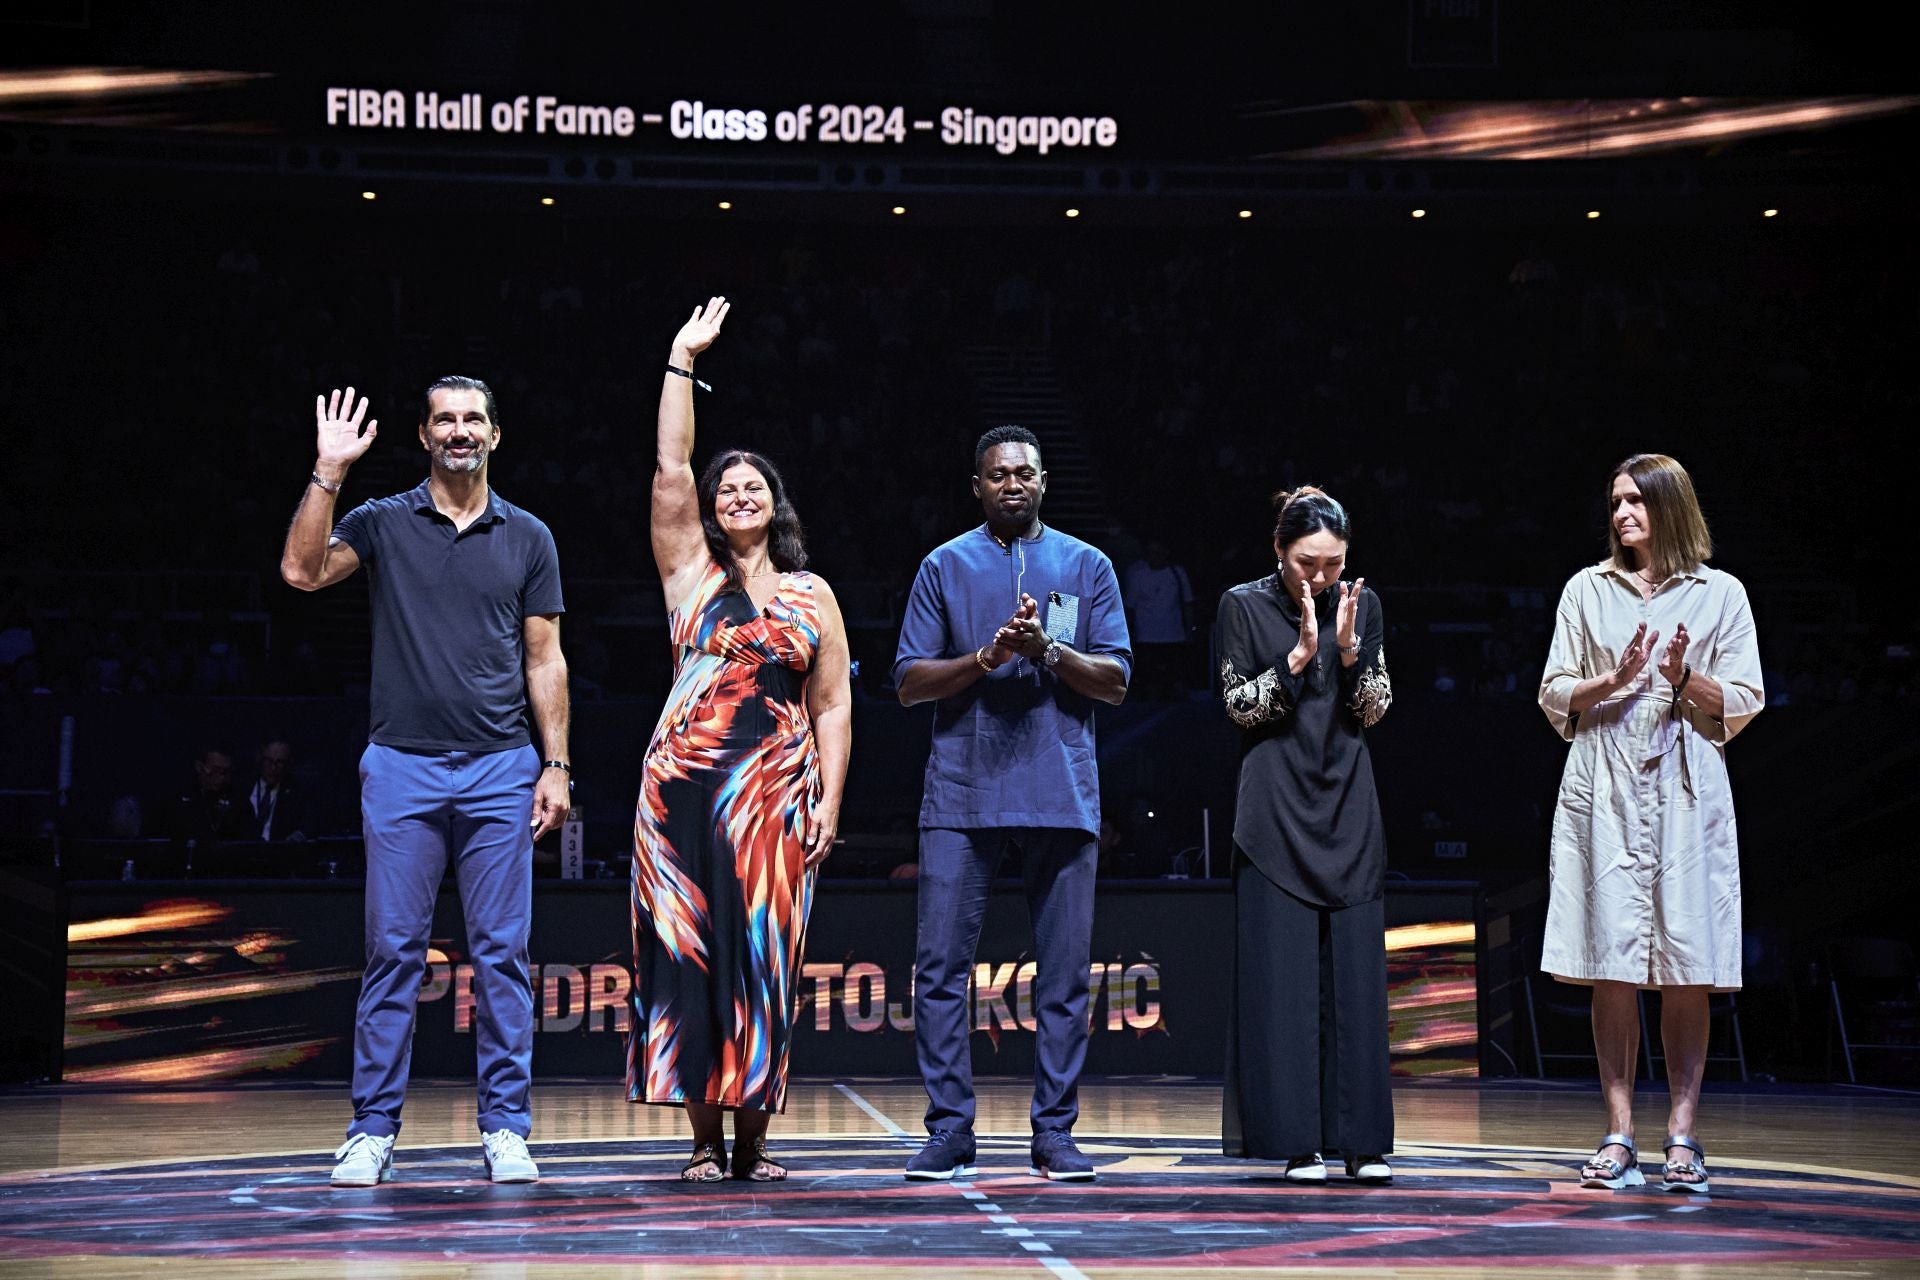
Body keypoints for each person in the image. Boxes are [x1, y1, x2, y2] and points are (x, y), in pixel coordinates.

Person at [281, 378, 571, 1188]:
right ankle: (372, 1128)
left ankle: (506, 1128)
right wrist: (328, 469)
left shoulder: (529, 536)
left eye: (473, 418)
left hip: (501, 769)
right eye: (445, 419)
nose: (459, 431)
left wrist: (555, 765)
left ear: (495, 434)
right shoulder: (382, 521)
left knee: (503, 956)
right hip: (402, 765)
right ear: (423, 435)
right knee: (392, 953)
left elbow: (544, 658)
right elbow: (301, 573)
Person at [629, 297, 852, 1184]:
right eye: (727, 489)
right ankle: (700, 1144)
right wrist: (682, 358)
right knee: (688, 960)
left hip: (775, 802)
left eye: (753, 484)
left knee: (763, 960)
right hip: (678, 798)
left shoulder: (813, 594)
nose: (737, 493)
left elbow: (834, 706)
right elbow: (671, 464)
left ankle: (752, 1147)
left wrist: (831, 798)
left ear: (776, 502)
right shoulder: (690, 571)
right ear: (713, 512)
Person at [894, 425, 1131, 1182]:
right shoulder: (944, 565)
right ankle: (949, 1130)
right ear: (977, 486)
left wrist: (1048, 653)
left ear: (1044, 481)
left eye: (1024, 473)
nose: (1012, 484)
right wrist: (986, 658)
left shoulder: (1086, 566)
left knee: (1062, 977)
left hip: (1059, 790)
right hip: (962, 792)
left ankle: (1055, 1132)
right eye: (997, 475)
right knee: (939, 970)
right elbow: (907, 682)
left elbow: (1117, 682)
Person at [1539, 454, 1762, 1195]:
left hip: (1686, 783)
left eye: (1636, 501)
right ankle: (1618, 1132)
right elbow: (1554, 691)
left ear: (1670, 507)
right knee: (1612, 963)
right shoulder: (1586, 589)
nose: (1622, 514)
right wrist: (1615, 679)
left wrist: (1681, 679)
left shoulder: (1720, 593)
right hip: (1603, 781)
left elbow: (1744, 697)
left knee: (1685, 964)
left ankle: (1683, 1137)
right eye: (1615, 502)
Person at [1215, 486, 1394, 1185]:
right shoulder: (1243, 605)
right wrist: (1297, 658)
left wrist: (1350, 653)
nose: (1318, 578)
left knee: (1352, 980)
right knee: (1284, 983)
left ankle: (1362, 1142)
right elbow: (1237, 705)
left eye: (1333, 563)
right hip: (1274, 809)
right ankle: (1298, 1143)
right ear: (1278, 552)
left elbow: (1374, 708)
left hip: (1347, 802)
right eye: (1305, 563)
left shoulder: (1364, 605)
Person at [1124, 539, 1196, 698]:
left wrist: (1189, 630)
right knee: (1150, 680)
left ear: (1166, 553)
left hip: (1174, 636)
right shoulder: (1137, 575)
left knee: (1175, 678)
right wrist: (1128, 634)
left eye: (1157, 552)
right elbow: (1130, 607)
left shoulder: (1177, 573)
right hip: (1145, 637)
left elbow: (1187, 603)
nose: (1154, 556)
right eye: (1150, 552)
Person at [164, 745, 252, 847]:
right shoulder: (177, 802)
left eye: (226, 772)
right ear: (199, 767)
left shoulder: (240, 804)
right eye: (215, 770)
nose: (221, 777)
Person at [245, 738, 313, 842]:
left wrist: (298, 836)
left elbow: (309, 822)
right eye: (269, 761)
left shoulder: (297, 792)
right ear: (260, 758)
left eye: (280, 762)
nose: (273, 768)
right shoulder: (243, 785)